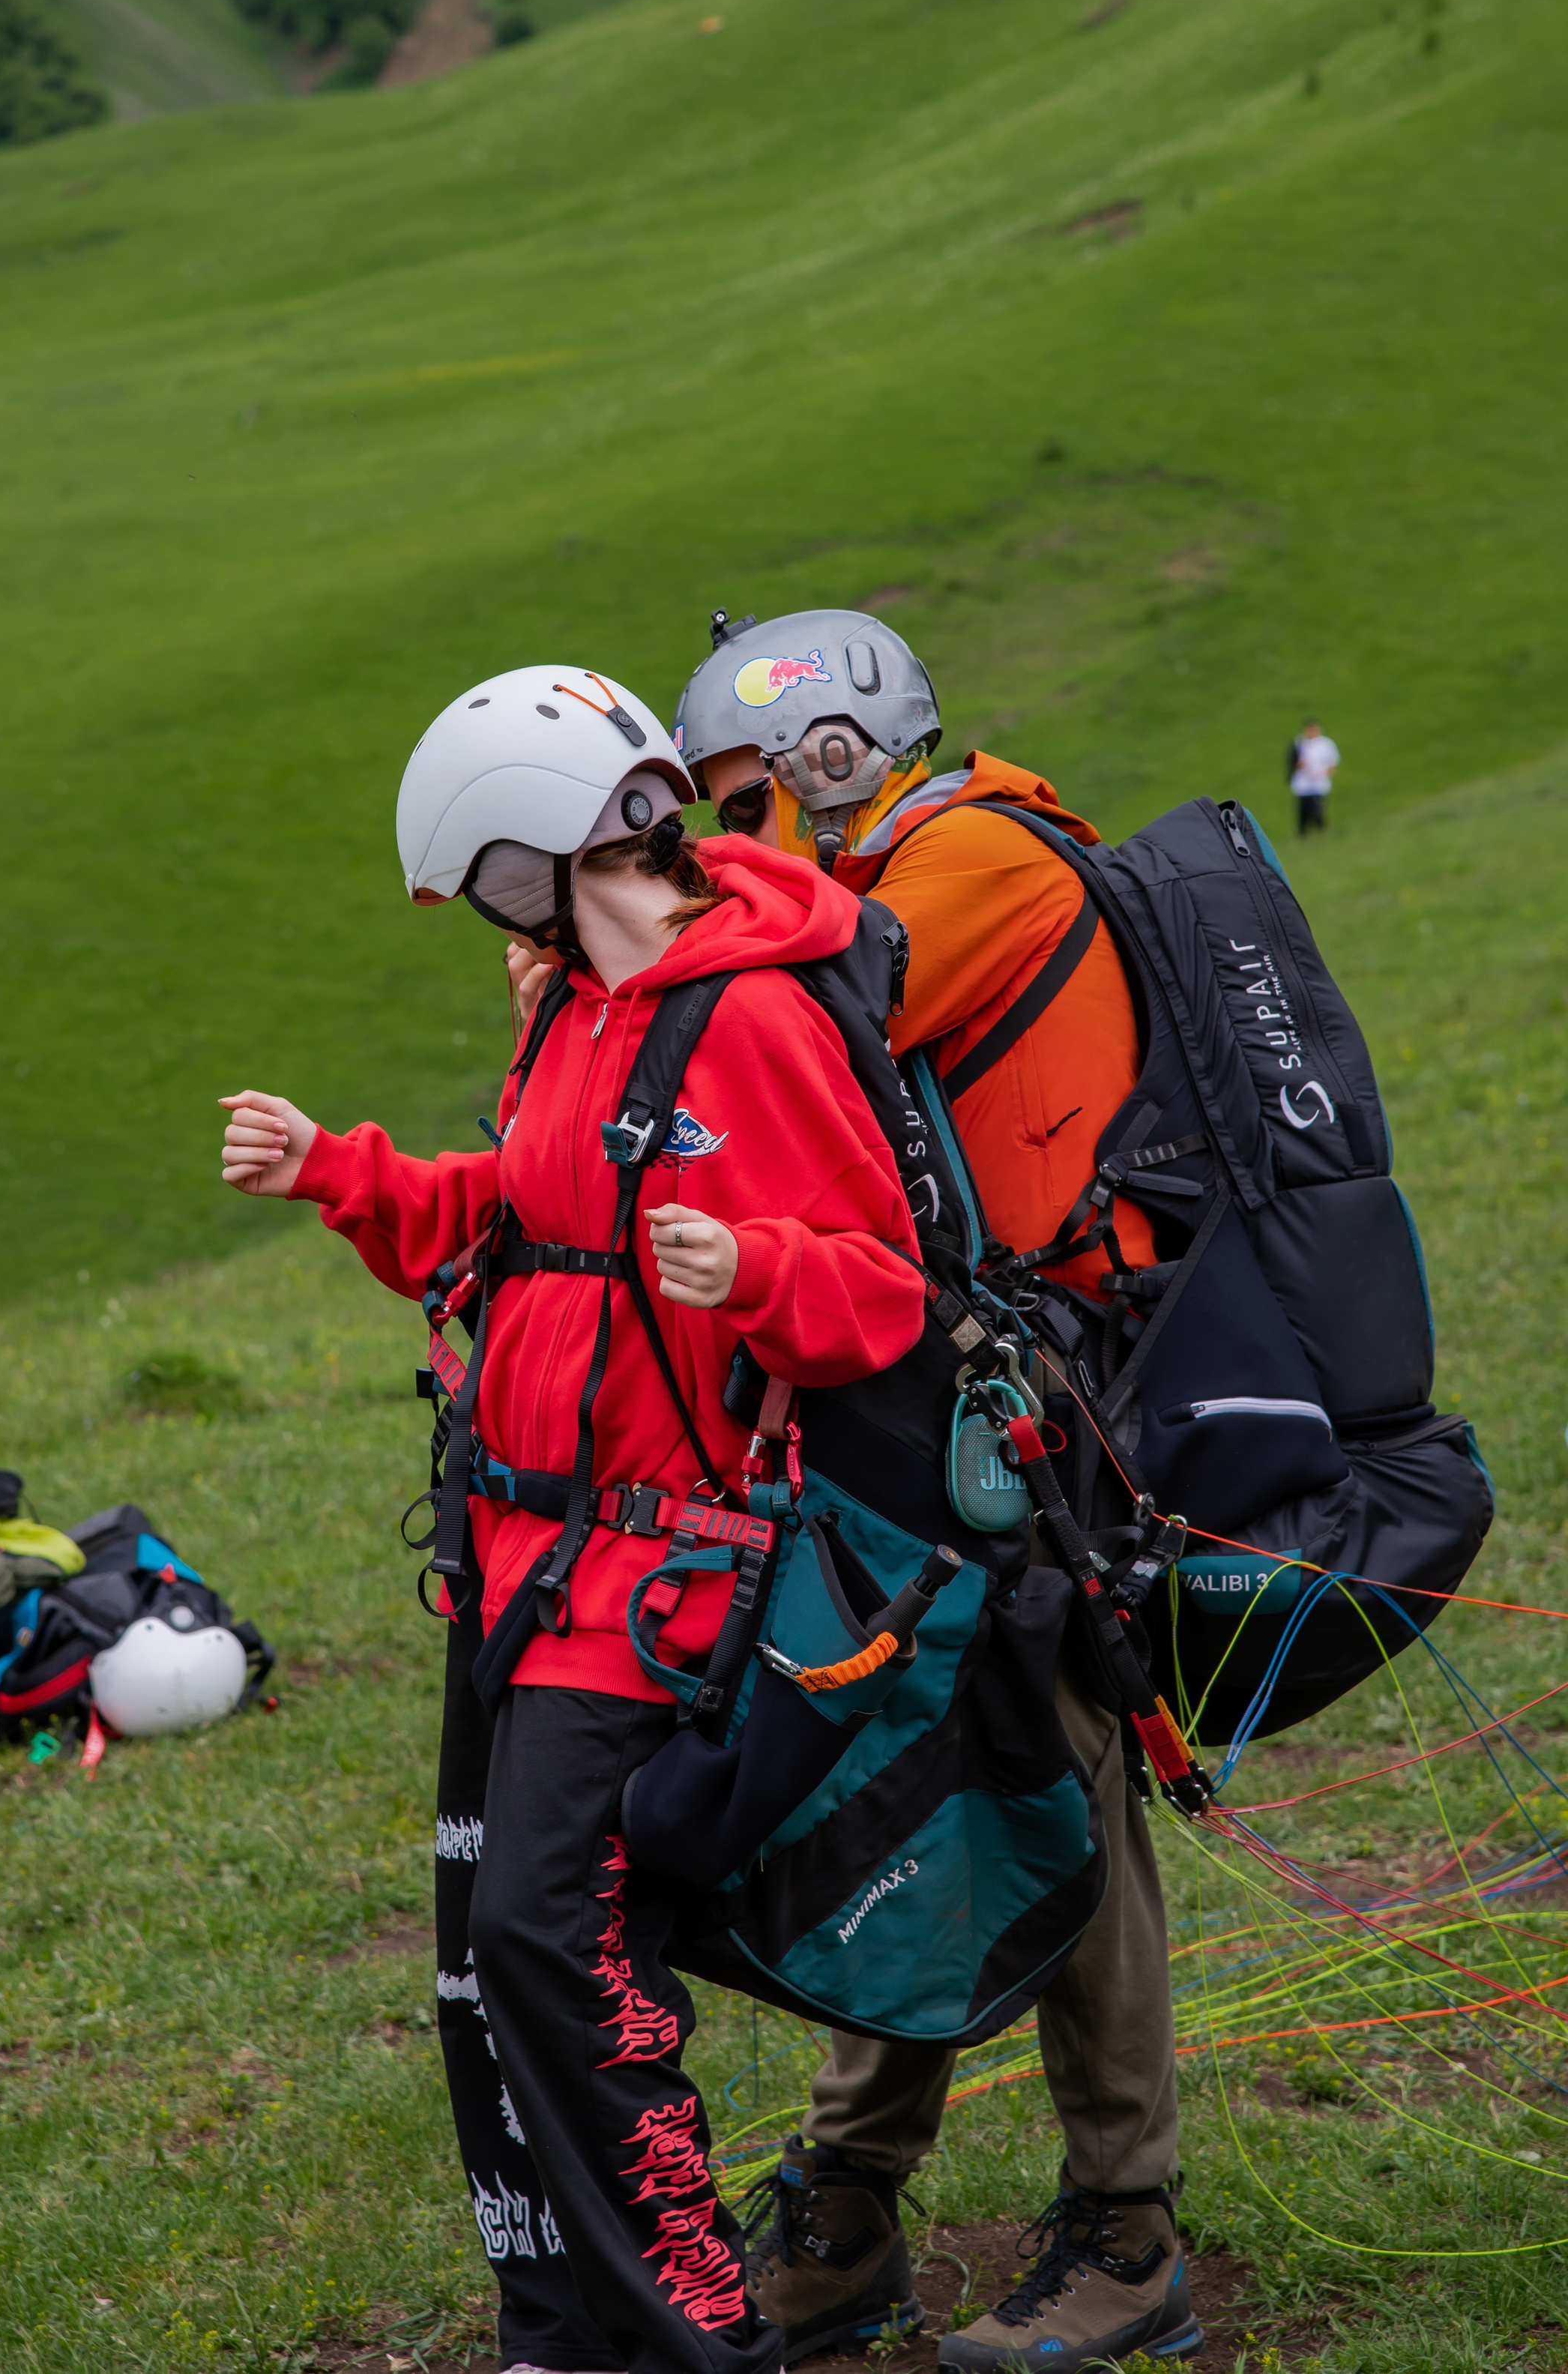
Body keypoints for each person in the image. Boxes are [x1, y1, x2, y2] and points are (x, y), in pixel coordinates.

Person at [221, 664, 926, 2374]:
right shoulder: (583, 1006)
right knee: (539, 1938)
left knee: (552, 1932)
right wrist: (338, 1166)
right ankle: (621, 2322)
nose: (486, 921)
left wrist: (750, 1267)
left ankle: (689, 2323)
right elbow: (518, 1215)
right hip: (534, 1558)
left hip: (663, 1566)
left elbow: (880, 1287)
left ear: (533, 854)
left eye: (482, 883)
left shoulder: (741, 1014)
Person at [675, 609, 1200, 2374]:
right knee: (909, 1755)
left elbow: (801, 1005)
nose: (740, 835)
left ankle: (1122, 2224)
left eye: (750, 791)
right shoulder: (904, 849)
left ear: (835, 745)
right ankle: (842, 2208)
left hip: (1038, 1388)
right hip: (947, 1375)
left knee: (1046, 1763)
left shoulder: (966, 855)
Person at [1288, 720, 1339, 837]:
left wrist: (1325, 773)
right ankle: (1303, 832)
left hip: (1319, 781)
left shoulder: (1325, 744)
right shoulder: (1299, 743)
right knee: (1303, 808)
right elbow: (1292, 762)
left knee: (1317, 807)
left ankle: (1321, 828)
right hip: (1303, 782)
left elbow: (1333, 762)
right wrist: (1298, 765)